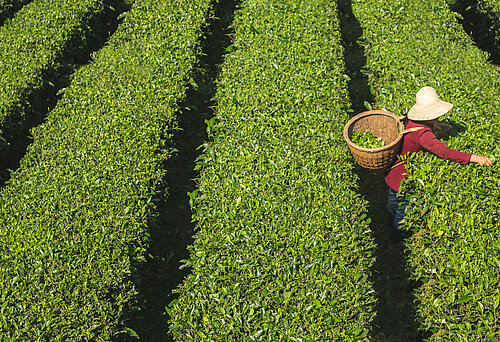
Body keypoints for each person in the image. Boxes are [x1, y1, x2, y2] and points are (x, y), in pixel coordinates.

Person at [385, 86, 492, 242]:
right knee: (403, 209)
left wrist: (436, 126)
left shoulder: (408, 119)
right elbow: (445, 153)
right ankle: (396, 237)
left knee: (393, 200)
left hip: (392, 172)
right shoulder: (424, 135)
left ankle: (388, 222)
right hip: (403, 178)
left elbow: (416, 130)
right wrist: (474, 157)